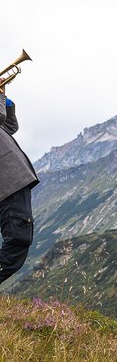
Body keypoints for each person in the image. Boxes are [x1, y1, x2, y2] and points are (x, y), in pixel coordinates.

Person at [0, 78, 39, 284]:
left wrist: (4, 97)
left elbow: (9, 126)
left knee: (18, 240)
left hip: (12, 182)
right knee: (18, 240)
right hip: (8, 184)